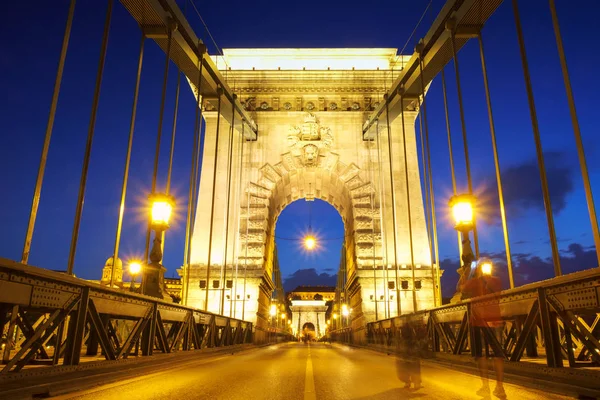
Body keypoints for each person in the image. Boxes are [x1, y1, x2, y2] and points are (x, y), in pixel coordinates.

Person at [461, 262, 505, 398]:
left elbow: (461, 288)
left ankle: (485, 386)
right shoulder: (497, 281)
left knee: (481, 356)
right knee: (498, 355)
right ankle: (500, 387)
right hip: (495, 320)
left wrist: (467, 273)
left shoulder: (474, 282)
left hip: (478, 322)